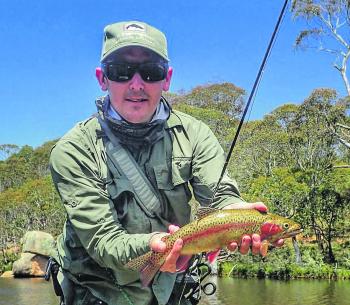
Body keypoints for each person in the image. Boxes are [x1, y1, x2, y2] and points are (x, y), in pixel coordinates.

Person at [49, 20, 283, 305]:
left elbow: (219, 194)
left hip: (171, 287)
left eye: (150, 71)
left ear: (167, 78)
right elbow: (103, 241)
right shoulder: (73, 150)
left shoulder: (195, 134)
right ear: (102, 78)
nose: (136, 84)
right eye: (121, 71)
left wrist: (233, 210)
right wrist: (153, 248)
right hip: (97, 290)